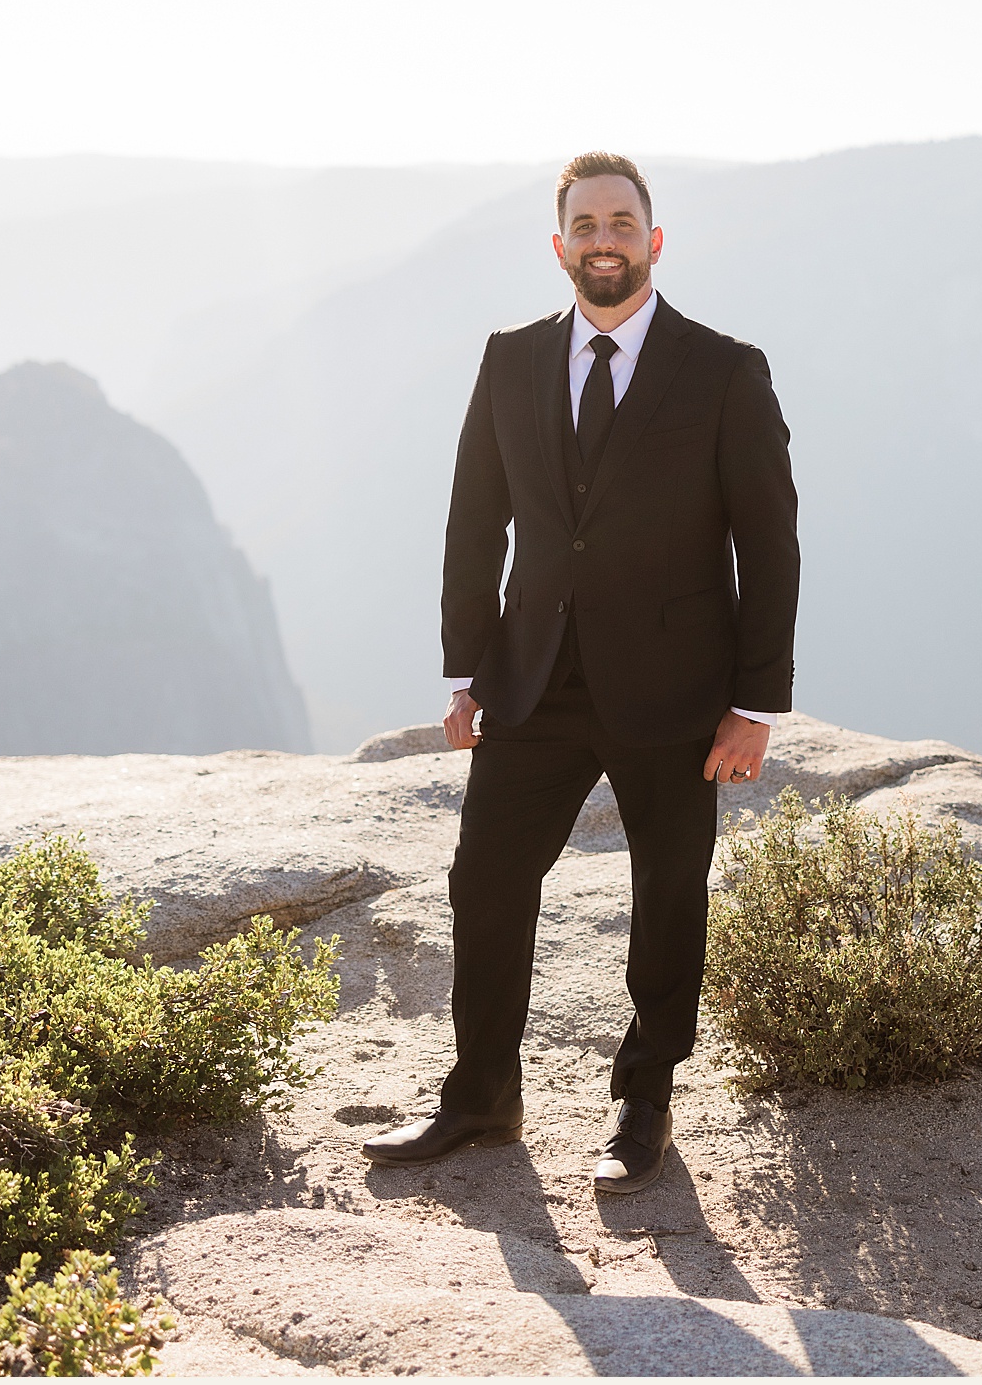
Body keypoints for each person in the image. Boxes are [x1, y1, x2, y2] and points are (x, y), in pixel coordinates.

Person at [362, 151, 799, 1195]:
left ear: (653, 240)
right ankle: (480, 1096)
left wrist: (754, 703)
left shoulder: (724, 368)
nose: (603, 239)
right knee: (487, 881)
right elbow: (477, 522)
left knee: (667, 893)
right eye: (584, 224)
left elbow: (770, 541)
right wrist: (465, 670)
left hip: (678, 689)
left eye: (621, 221)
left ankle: (644, 1103)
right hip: (535, 678)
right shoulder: (509, 360)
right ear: (560, 246)